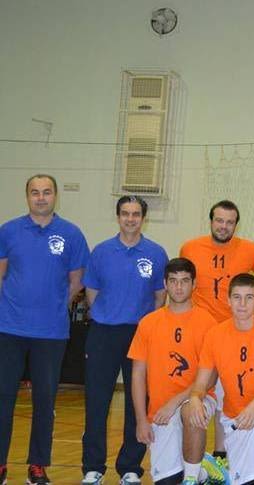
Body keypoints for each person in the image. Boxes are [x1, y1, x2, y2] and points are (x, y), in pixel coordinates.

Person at [0, 174, 89, 485]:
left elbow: (77, 281)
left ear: (55, 196)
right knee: (3, 397)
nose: (41, 197)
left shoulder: (71, 234)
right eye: (35, 192)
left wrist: (53, 305)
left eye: (46, 192)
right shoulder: (8, 231)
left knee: (44, 400)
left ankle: (37, 465)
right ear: (27, 196)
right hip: (9, 329)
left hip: (51, 333)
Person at [81, 195, 169, 485]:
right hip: (103, 334)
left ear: (144, 218)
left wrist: (146, 327)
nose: (130, 219)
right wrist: (108, 315)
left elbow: (160, 297)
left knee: (137, 403)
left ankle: (130, 467)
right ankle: (93, 467)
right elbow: (91, 293)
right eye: (125, 214)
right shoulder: (101, 252)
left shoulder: (156, 253)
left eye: (135, 214)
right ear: (118, 217)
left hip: (140, 336)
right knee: (97, 402)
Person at [180, 199, 254, 462]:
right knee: (197, 393)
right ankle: (194, 459)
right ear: (211, 221)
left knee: (228, 392)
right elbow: (181, 282)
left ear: (236, 225)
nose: (223, 226)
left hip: (236, 335)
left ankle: (222, 454)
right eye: (219, 220)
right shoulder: (190, 248)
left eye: (230, 222)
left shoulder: (250, 250)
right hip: (200, 335)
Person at [182, 274, 254, 485]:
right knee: (190, 408)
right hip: (235, 416)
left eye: (249, 297)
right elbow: (201, 384)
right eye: (237, 297)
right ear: (228, 300)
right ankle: (200, 472)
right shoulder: (215, 334)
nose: (242, 304)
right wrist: (194, 398)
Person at [127, 258, 218, 485]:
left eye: (185, 281)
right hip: (160, 411)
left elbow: (211, 377)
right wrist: (141, 420)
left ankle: (192, 477)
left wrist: (175, 402)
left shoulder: (207, 322)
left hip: (198, 398)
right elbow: (137, 374)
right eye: (174, 281)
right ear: (165, 284)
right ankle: (203, 471)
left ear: (194, 284)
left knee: (190, 410)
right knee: (167, 481)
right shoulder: (148, 323)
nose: (179, 287)